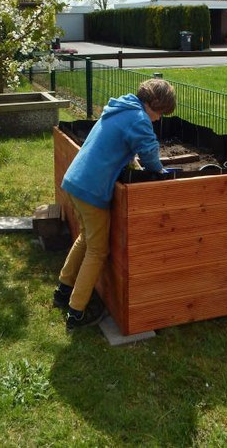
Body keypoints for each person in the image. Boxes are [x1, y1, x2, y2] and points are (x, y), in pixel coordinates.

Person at [53, 78, 176, 330]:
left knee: (86, 238)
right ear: (153, 104)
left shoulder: (122, 108)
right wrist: (160, 172)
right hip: (92, 190)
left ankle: (62, 291)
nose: (159, 119)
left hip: (76, 181)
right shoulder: (139, 119)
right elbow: (150, 152)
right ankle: (77, 312)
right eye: (160, 113)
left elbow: (122, 147)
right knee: (98, 250)